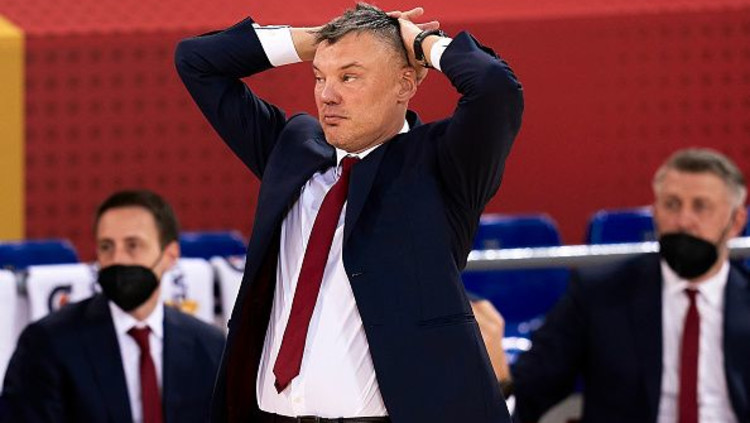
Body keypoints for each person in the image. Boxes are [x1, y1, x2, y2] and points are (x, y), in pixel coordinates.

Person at [175, 3, 523, 422]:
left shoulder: (442, 165)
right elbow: (196, 61)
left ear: (405, 83)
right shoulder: (292, 146)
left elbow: (494, 87)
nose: (327, 95)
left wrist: (420, 43)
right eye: (319, 76)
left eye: (349, 76)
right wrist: (318, 39)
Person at [506, 148, 750, 423]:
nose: (683, 221)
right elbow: (531, 386)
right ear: (655, 212)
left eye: (701, 207)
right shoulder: (599, 293)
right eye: (671, 204)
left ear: (736, 221)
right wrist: (498, 380)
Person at [2, 190, 225, 423]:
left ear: (170, 255)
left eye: (133, 245)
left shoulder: (209, 346)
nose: (117, 259)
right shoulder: (47, 343)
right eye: (106, 247)